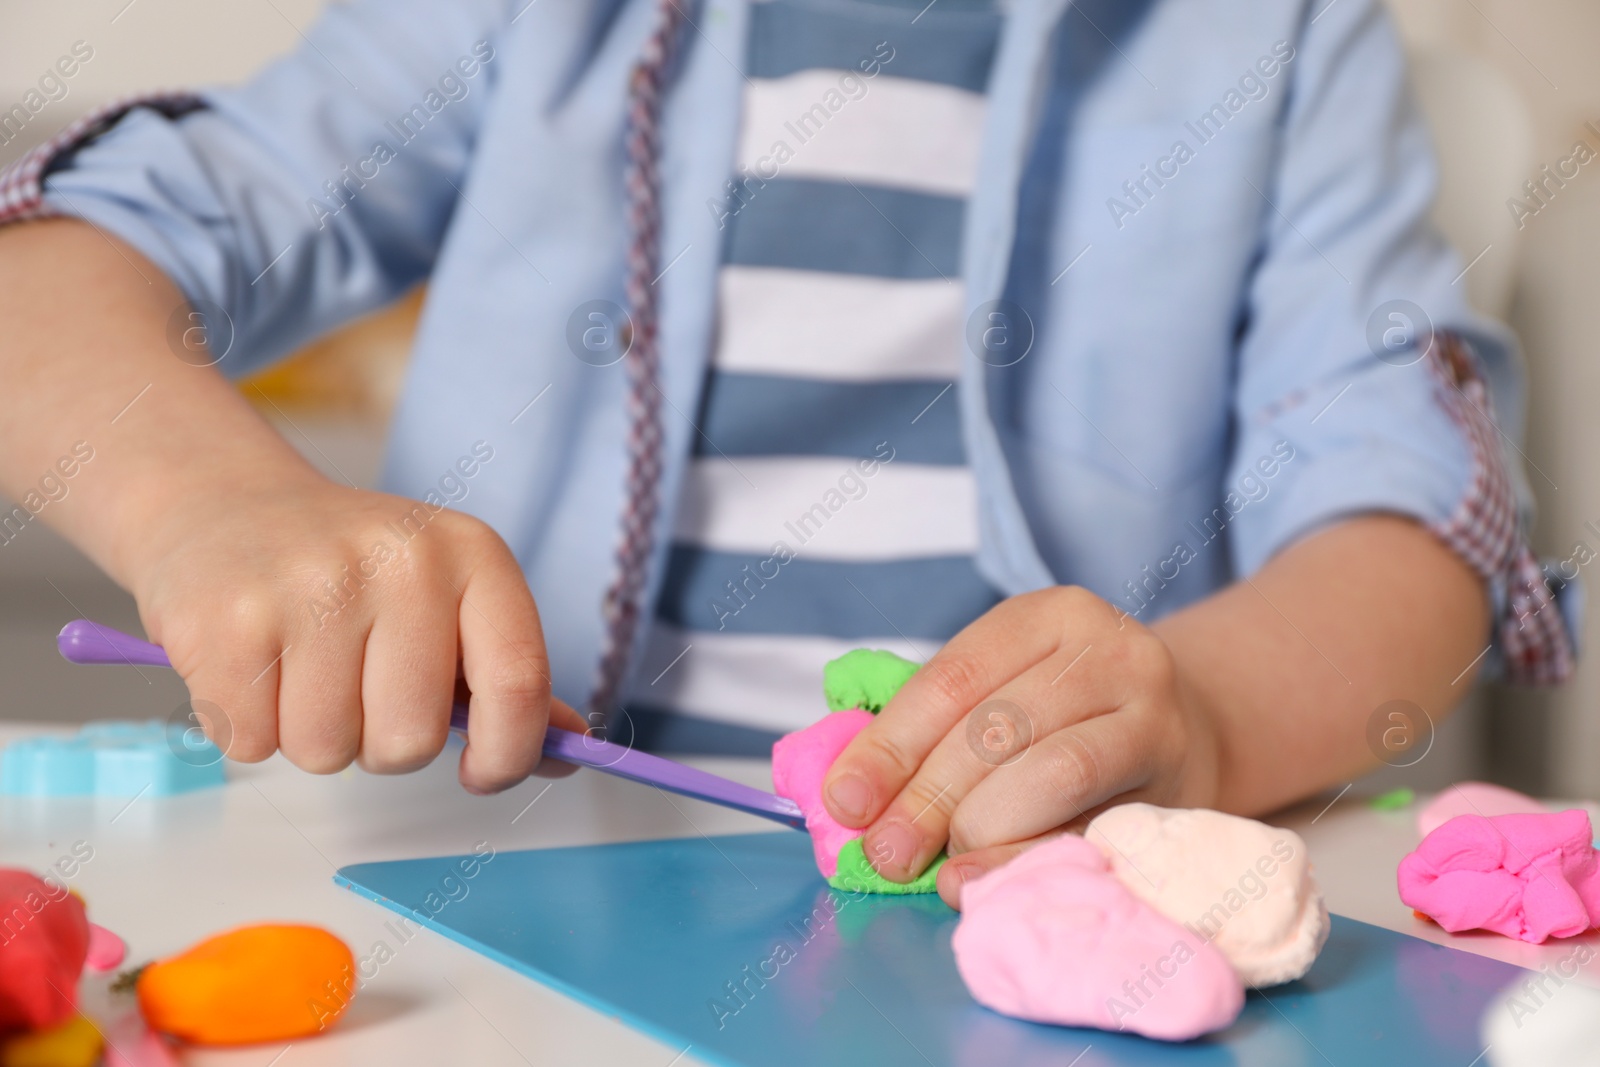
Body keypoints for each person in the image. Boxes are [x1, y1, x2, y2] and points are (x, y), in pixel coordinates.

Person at [0, 0, 1572, 907]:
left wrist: (1211, 721)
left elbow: (1413, 513)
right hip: (512, 884)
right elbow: (60, 259)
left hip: (1025, 906)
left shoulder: (1282, 36)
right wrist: (212, 501)